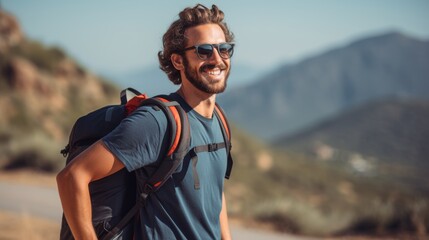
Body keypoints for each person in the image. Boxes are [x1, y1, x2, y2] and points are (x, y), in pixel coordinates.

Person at [57, 4, 235, 240]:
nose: (217, 59)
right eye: (203, 51)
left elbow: (213, 195)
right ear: (178, 61)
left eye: (224, 49)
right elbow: (72, 176)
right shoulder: (158, 122)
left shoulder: (219, 120)